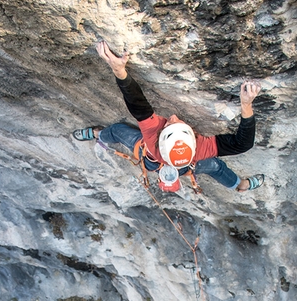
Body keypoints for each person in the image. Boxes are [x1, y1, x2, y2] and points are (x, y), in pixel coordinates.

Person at [73, 41, 264, 193]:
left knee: (116, 131)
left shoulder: (154, 137)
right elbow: (242, 144)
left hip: (153, 159)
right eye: (175, 124)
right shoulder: (199, 149)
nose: (172, 117)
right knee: (214, 165)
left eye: (171, 125)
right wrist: (246, 105)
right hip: (179, 165)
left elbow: (138, 105)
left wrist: (119, 71)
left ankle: (99, 135)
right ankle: (240, 185)